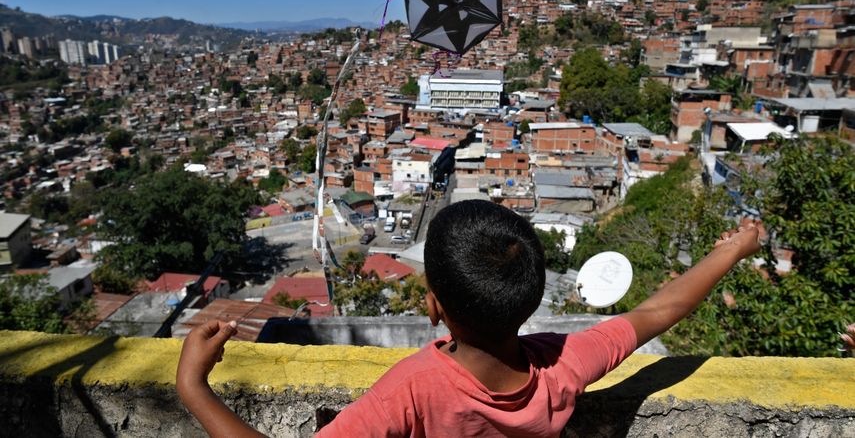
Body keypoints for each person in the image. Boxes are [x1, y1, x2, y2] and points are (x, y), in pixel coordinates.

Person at [177, 200, 765, 437]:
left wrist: (193, 387)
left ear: (433, 305)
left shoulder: (410, 391)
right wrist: (734, 249)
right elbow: (659, 311)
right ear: (531, 299)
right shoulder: (564, 364)